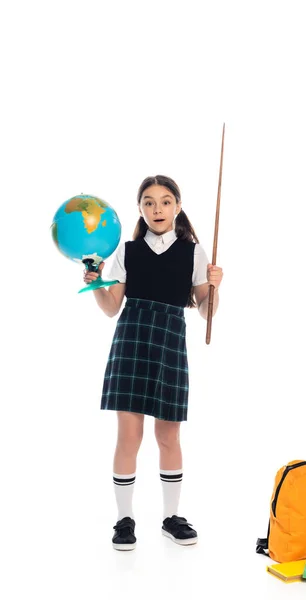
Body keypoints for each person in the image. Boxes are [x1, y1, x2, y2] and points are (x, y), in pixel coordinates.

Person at [84, 175, 223, 550]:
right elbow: (112, 308)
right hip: (131, 340)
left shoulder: (193, 252)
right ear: (141, 209)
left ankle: (170, 518)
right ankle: (124, 520)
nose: (157, 209)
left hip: (169, 344)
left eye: (164, 202)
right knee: (129, 436)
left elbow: (205, 309)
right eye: (148, 202)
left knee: (168, 436)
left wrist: (214, 288)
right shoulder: (127, 251)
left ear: (177, 206)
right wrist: (97, 283)